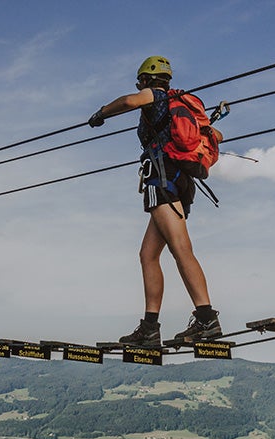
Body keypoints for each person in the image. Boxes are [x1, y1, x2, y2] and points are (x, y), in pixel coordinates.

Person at [88, 55, 221, 348]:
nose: (140, 87)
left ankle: (206, 319)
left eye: (141, 82)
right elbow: (215, 135)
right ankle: (150, 327)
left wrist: (101, 113)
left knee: (180, 249)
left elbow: (129, 102)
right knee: (148, 255)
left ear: (147, 79)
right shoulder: (182, 104)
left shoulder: (156, 95)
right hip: (180, 181)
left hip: (162, 180)